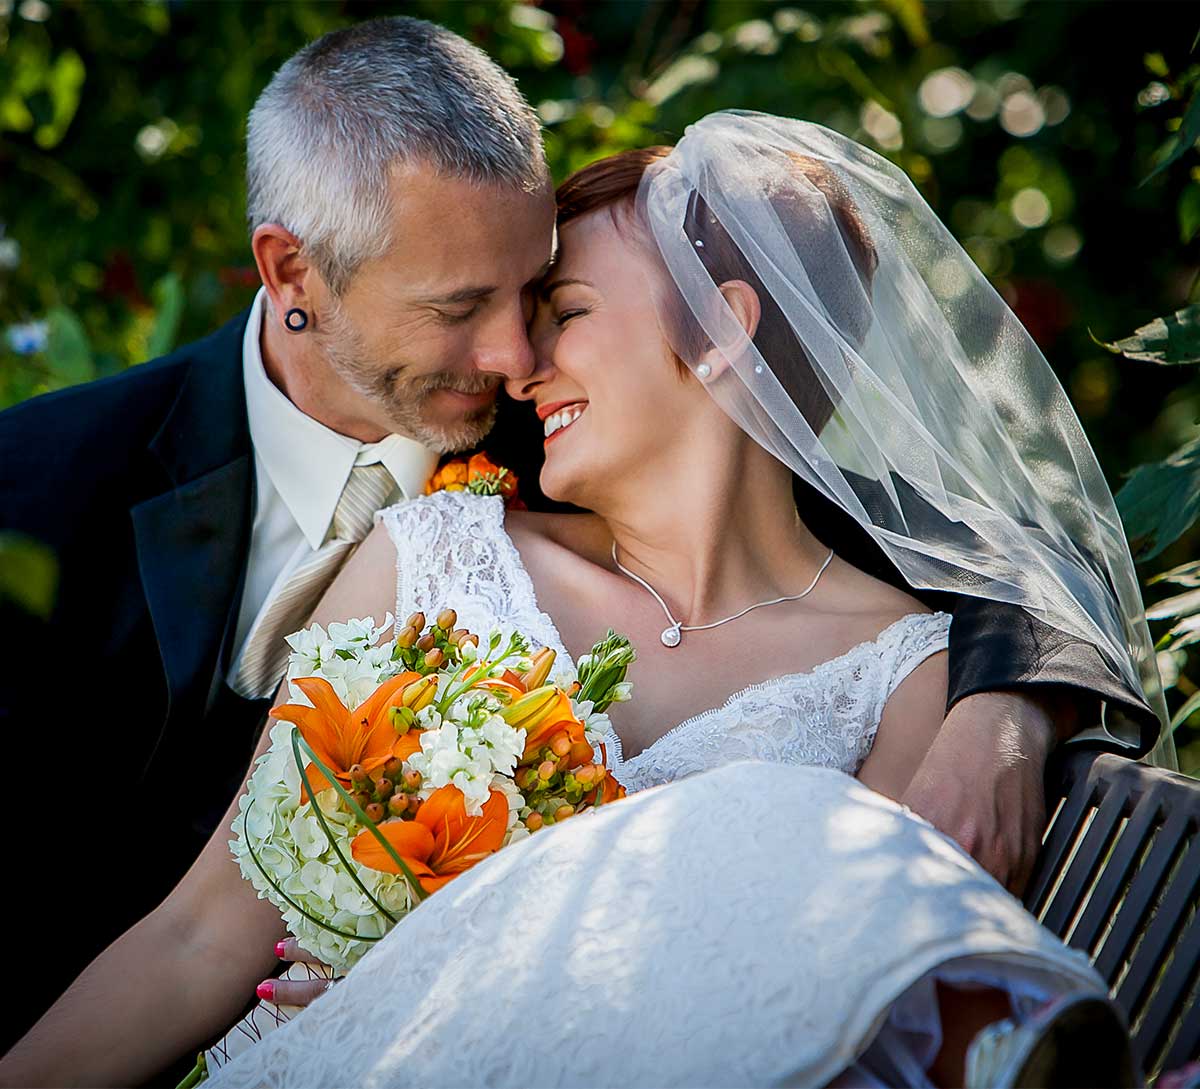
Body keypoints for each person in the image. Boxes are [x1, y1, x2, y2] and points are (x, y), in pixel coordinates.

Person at [3, 114, 1163, 1088]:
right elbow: (206, 933)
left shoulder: (908, 672)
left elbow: (844, 1015)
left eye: (564, 311)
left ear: (723, 333)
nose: (519, 360)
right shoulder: (435, 555)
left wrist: (1008, 711)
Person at [0, 15, 553, 1052]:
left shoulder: (582, 445)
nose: (517, 352)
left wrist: (972, 708)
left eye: (535, 288)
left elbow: (932, 543)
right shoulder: (36, 484)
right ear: (291, 272)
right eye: (458, 306)